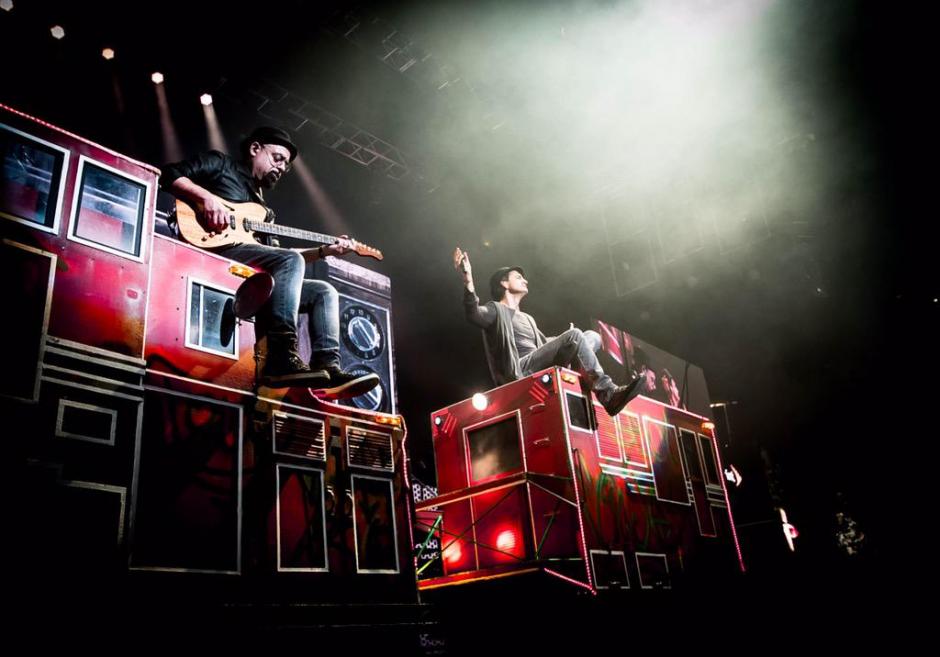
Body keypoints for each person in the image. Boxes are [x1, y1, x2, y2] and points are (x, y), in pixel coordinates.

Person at [161, 126, 378, 397]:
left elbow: (284, 260)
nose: (282, 168)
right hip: (216, 253)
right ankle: (281, 356)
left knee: (323, 291)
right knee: (289, 261)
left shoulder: (264, 211)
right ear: (255, 149)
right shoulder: (221, 165)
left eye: (286, 165)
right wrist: (205, 198)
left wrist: (324, 251)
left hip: (250, 273)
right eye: (278, 158)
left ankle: (328, 367)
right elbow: (169, 174)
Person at [453, 247, 643, 417]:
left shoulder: (527, 318)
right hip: (520, 369)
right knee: (576, 336)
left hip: (538, 362)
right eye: (518, 277)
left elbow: (543, 344)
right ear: (504, 283)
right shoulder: (495, 310)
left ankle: (579, 373)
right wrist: (467, 279)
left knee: (593, 337)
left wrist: (568, 337)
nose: (525, 280)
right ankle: (608, 394)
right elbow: (473, 313)